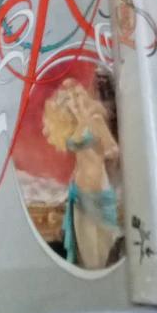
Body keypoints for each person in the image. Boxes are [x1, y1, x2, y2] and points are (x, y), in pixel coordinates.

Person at [42, 77, 122, 270]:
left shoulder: (95, 120)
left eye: (76, 96)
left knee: (100, 252)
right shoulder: (75, 124)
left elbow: (113, 150)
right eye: (69, 99)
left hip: (97, 189)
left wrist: (102, 149)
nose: (74, 102)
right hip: (78, 191)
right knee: (85, 251)